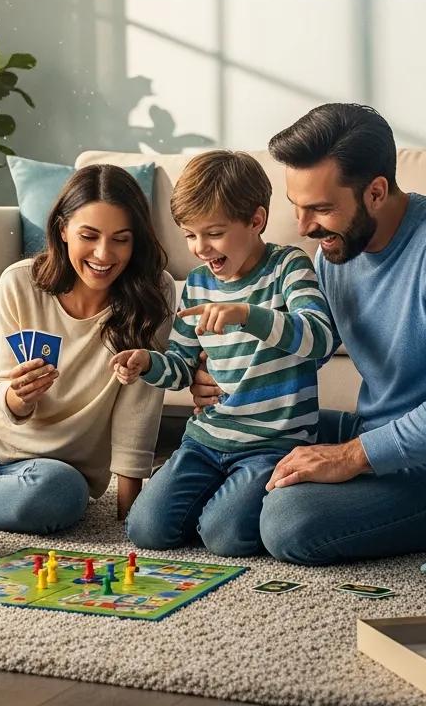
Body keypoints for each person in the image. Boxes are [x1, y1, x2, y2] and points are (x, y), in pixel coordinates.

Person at [190, 104, 426, 564]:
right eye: (297, 207)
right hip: (375, 430)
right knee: (246, 429)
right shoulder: (334, 252)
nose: (305, 228)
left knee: (288, 522)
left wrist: (348, 458)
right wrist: (217, 376)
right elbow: (302, 345)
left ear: (375, 192)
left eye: (322, 209)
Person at [111, 151, 335, 557]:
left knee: (225, 537)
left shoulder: (288, 266)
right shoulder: (197, 284)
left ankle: (236, 500)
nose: (200, 248)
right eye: (189, 236)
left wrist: (248, 315)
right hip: (206, 439)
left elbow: (320, 337)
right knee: (145, 531)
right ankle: (215, 493)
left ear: (255, 220)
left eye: (212, 233)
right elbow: (180, 368)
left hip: (272, 444)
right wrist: (147, 362)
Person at [0, 164, 173, 534]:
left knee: (59, 497)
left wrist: (129, 511)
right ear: (62, 230)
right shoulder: (20, 283)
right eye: (89, 235)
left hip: (49, 471)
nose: (104, 254)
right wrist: (17, 398)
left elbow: (139, 407)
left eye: (121, 239)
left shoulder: (154, 294)